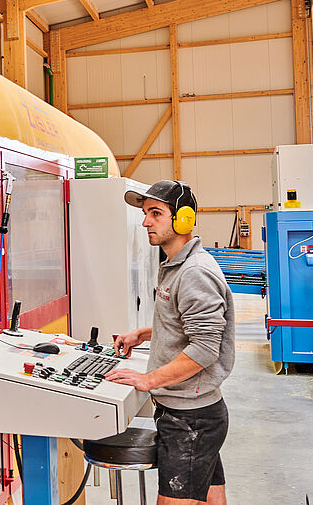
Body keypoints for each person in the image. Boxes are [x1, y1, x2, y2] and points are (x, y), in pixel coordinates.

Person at [104, 180, 235, 505]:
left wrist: (148, 380)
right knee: (209, 498)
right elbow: (183, 324)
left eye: (155, 213)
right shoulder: (175, 266)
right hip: (193, 414)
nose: (145, 222)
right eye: (145, 213)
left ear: (183, 219)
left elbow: (205, 348)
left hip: (191, 420)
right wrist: (142, 334)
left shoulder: (194, 272)